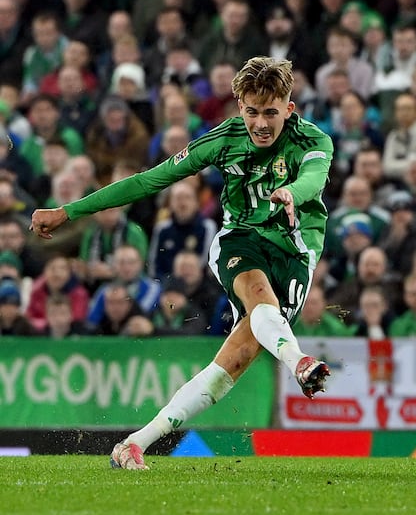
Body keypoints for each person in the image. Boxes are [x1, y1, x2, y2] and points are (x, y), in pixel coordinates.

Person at [29, 56, 334, 471]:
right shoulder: (222, 140)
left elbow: (313, 179)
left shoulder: (313, 141)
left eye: (270, 112)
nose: (261, 123)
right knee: (260, 295)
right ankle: (299, 361)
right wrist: (71, 210)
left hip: (296, 252)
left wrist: (292, 193)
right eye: (251, 112)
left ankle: (136, 442)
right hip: (241, 239)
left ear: (289, 108)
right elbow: (146, 181)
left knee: (236, 359)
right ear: (238, 106)